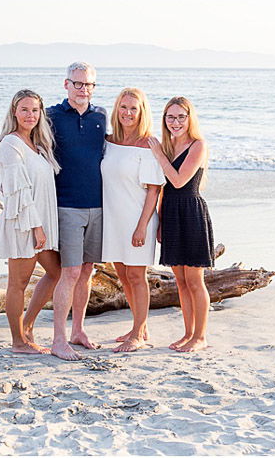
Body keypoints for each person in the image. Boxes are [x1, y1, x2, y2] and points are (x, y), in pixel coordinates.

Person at [47, 62, 106, 361]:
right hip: (66, 205)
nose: (84, 90)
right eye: (78, 84)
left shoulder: (101, 116)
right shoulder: (51, 116)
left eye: (89, 85)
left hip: (98, 205)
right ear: (66, 84)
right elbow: (33, 150)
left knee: (87, 271)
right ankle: (58, 339)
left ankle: (78, 331)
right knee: (69, 272)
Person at [0, 89, 61, 355]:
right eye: (24, 110)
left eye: (35, 110)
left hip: (41, 225)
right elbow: (20, 191)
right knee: (18, 284)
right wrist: (36, 227)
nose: (30, 115)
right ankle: (18, 342)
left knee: (56, 273)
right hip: (23, 224)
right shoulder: (10, 144)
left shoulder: (39, 146)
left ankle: (28, 326)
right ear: (14, 111)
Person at [147, 97, 215, 352]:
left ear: (189, 119)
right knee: (181, 281)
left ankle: (200, 337)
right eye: (170, 117)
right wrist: (162, 222)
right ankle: (188, 334)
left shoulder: (198, 145)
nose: (175, 122)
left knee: (195, 280)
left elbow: (177, 180)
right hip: (172, 215)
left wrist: (158, 154)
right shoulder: (167, 145)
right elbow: (164, 190)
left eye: (180, 117)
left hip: (192, 213)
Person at [101, 88, 165, 352]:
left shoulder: (149, 145)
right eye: (123, 107)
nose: (128, 113)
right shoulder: (108, 141)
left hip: (139, 219)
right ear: (117, 109)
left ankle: (138, 333)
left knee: (137, 276)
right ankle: (140, 325)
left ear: (142, 112)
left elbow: (154, 189)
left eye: (133, 108)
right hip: (113, 219)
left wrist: (142, 227)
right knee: (123, 275)